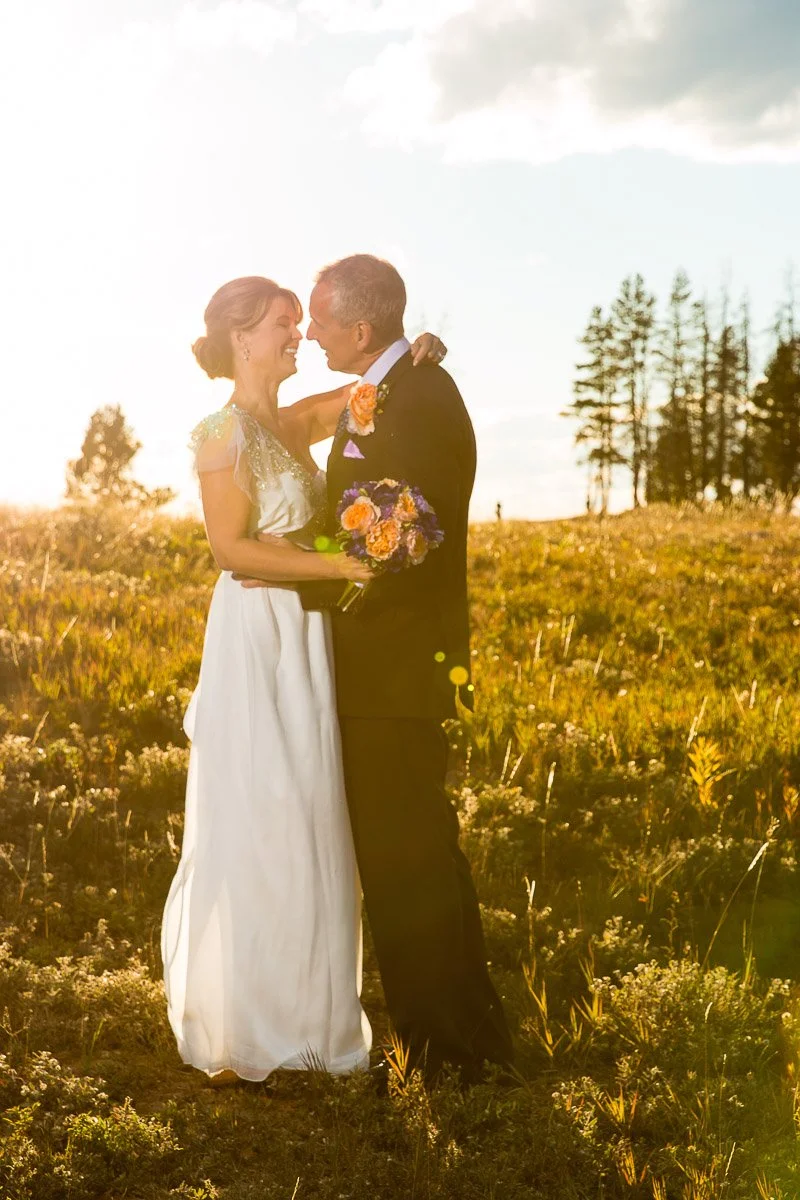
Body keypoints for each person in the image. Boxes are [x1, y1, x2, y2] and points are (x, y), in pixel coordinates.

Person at [161, 275, 445, 1084]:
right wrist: (339, 560)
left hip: (308, 631)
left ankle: (315, 1024)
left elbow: (373, 385)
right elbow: (231, 550)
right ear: (242, 336)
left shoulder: (290, 423)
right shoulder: (219, 433)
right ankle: (254, 1023)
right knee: (266, 808)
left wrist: (421, 353)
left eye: (297, 323)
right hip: (257, 634)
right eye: (284, 324)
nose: (296, 335)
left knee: (312, 809)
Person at [302, 254, 514, 1084]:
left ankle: (441, 1050)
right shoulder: (394, 385)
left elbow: (406, 534)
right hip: (378, 665)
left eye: (321, 317)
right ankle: (470, 1033)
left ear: (361, 327)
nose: (313, 331)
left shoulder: (422, 394)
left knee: (405, 861)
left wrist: (286, 556)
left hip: (394, 665)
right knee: (423, 851)